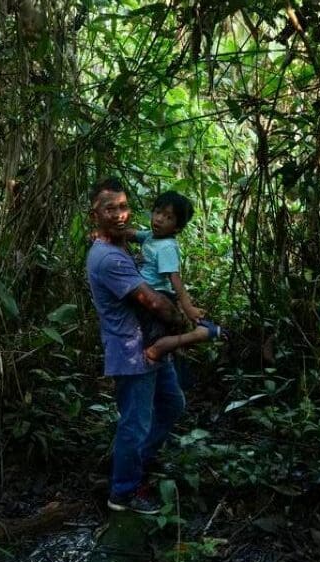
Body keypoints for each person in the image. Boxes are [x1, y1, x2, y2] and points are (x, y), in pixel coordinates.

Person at [86, 177, 186, 515]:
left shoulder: (120, 245)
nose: (119, 215)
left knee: (172, 404)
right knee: (135, 422)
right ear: (95, 214)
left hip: (151, 345)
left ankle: (134, 465)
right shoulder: (108, 259)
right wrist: (181, 318)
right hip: (133, 353)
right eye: (110, 208)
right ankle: (124, 492)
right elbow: (153, 302)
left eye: (124, 207)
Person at [126, 191, 229, 361]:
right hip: (148, 295)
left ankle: (194, 337)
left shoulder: (166, 247)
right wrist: (106, 232)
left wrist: (188, 308)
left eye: (168, 217)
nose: (159, 219)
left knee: (154, 342)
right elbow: (132, 234)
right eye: (158, 212)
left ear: (177, 228)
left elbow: (176, 280)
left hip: (159, 296)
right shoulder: (151, 237)